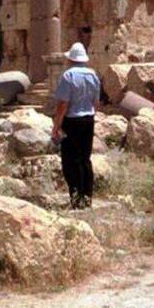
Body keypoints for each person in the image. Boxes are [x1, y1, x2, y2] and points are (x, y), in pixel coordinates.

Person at [51, 42, 101, 209]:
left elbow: (62, 104)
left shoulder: (68, 76)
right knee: (85, 159)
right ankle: (87, 196)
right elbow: (96, 102)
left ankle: (76, 195)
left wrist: (56, 125)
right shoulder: (93, 75)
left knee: (70, 160)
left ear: (70, 59)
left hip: (72, 121)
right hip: (88, 119)